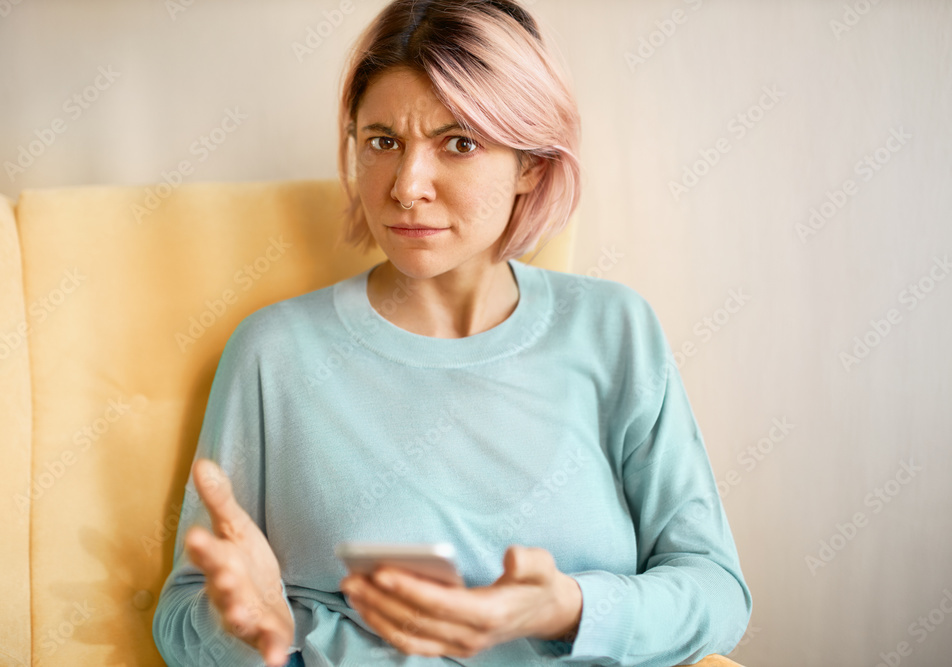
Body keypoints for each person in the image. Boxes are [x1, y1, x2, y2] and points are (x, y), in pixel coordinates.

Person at [152, 1, 753, 665]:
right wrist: (242, 629)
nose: (407, 187)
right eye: (382, 142)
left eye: (459, 143)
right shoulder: (275, 352)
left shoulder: (614, 331)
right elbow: (181, 621)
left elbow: (717, 592)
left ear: (530, 164)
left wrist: (569, 608)